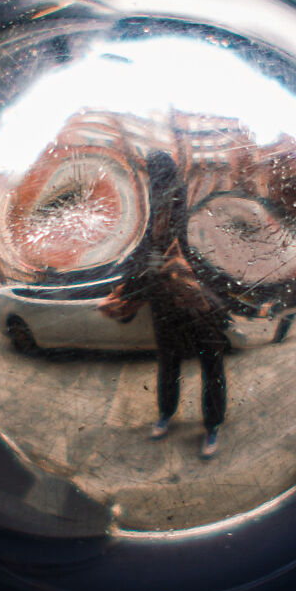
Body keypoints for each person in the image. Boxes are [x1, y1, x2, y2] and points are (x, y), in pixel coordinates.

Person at [105, 151, 229, 459]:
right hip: (166, 303)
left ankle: (212, 425)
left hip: (199, 301)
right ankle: (166, 413)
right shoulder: (155, 216)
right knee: (169, 361)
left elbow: (208, 254)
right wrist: (124, 290)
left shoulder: (189, 210)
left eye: (155, 177)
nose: (153, 186)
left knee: (210, 364)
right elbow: (146, 254)